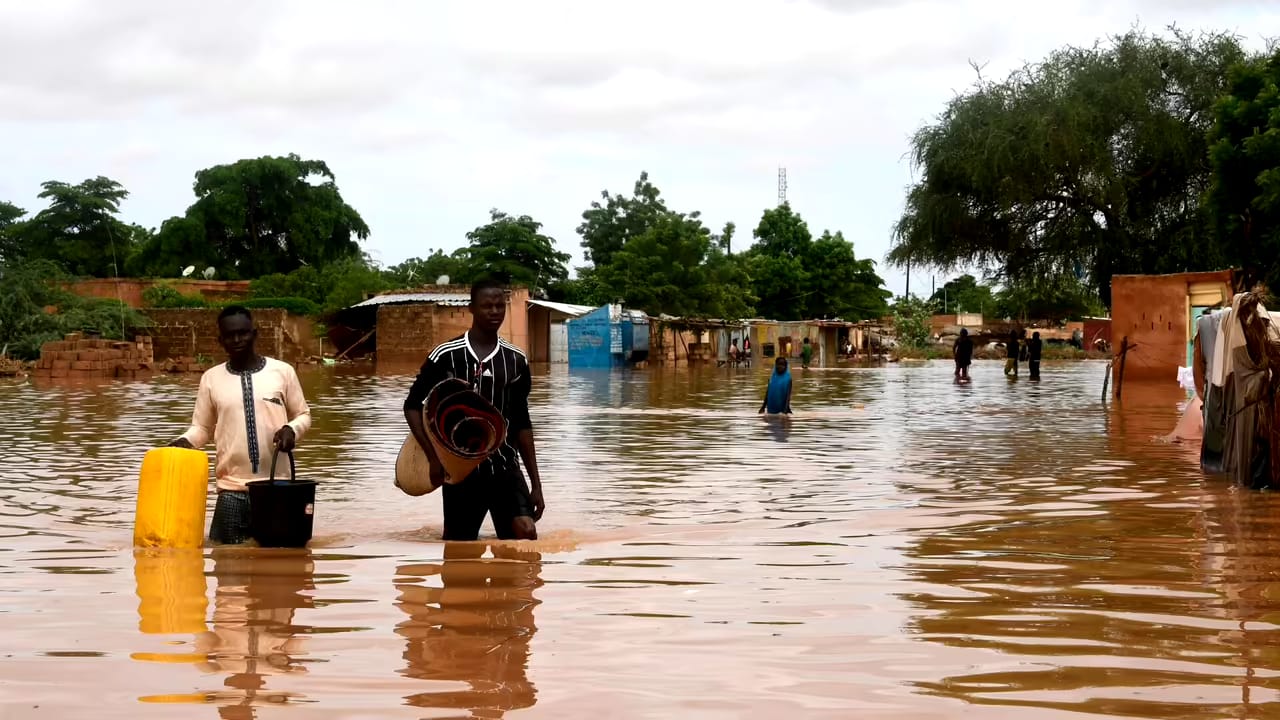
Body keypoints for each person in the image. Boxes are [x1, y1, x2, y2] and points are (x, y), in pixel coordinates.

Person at [402, 278, 546, 541]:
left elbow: (522, 422)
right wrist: (433, 458)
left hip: (504, 466)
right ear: (471, 309)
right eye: (486, 306)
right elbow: (412, 406)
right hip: (459, 470)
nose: (494, 312)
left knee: (525, 533)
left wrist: (536, 484)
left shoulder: (516, 360)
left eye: (499, 306)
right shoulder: (445, 355)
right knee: (458, 548)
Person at [170, 306, 312, 545]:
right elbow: (202, 428)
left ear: (254, 334)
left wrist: (291, 429)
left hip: (277, 489)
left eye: (243, 333)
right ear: (220, 340)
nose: (237, 340)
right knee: (226, 564)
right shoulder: (211, 379)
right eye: (229, 335)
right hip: (231, 491)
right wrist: (183, 442)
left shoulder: (282, 372)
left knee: (282, 566)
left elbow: (303, 415)